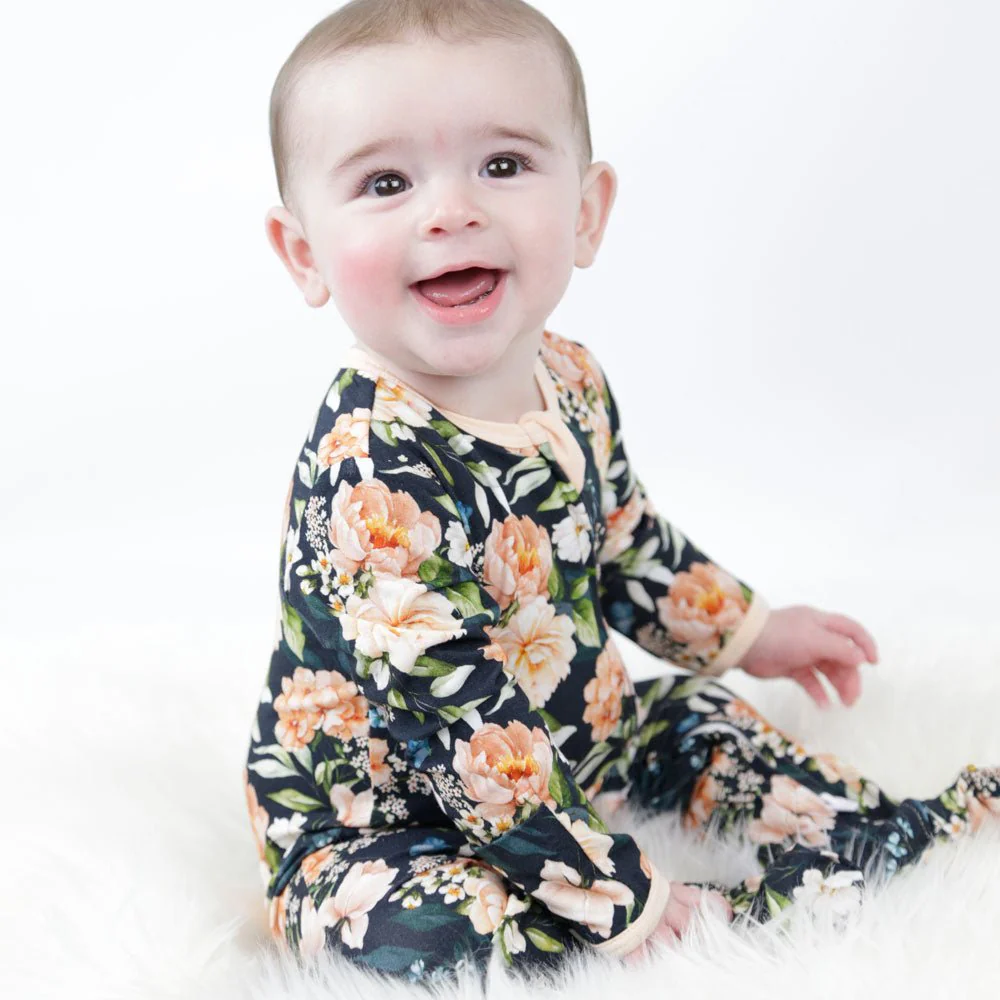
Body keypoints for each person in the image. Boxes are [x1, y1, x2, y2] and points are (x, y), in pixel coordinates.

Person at [244, 0, 1000, 988]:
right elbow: (461, 726)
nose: (449, 211)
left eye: (502, 165)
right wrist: (612, 889)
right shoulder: (372, 473)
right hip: (388, 820)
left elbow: (626, 540)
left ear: (586, 213)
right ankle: (721, 923)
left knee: (697, 717)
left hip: (577, 741)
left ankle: (874, 835)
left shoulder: (568, 376)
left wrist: (751, 630)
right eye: (386, 183)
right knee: (424, 925)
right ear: (304, 253)